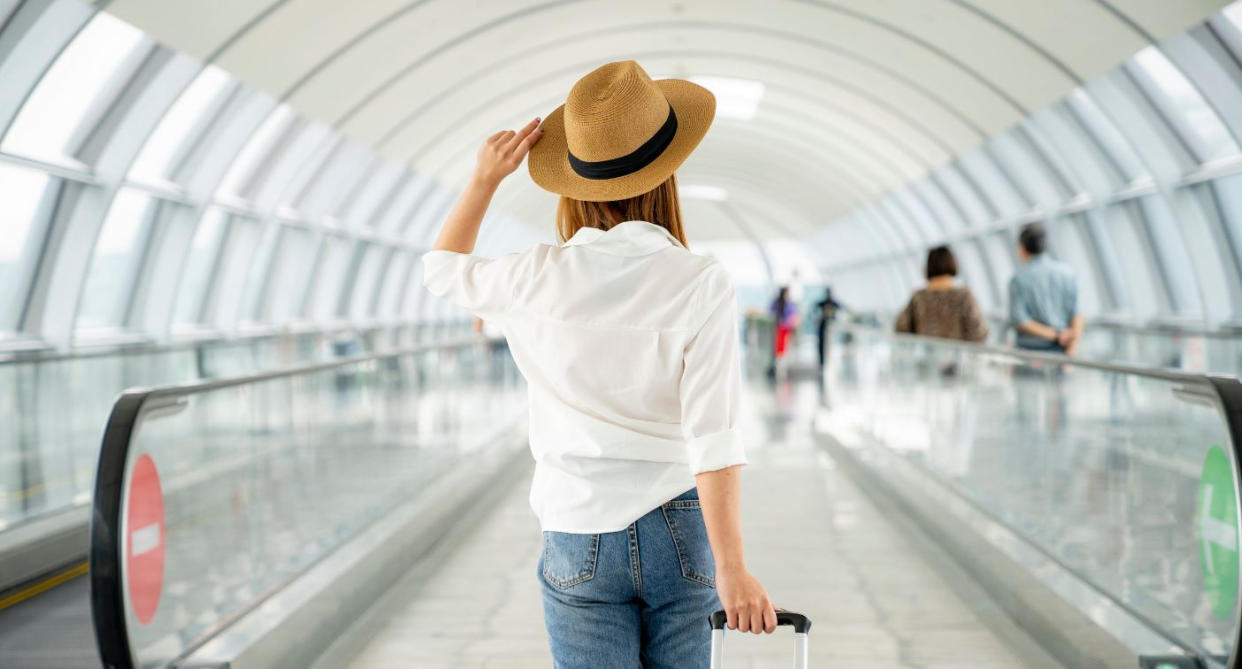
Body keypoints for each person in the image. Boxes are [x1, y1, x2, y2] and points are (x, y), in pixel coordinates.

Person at [420, 61, 776, 668]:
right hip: (680, 525)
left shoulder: (534, 276)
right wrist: (733, 568)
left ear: (574, 184)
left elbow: (441, 270)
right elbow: (713, 435)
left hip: (576, 525)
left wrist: (484, 180)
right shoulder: (701, 282)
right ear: (667, 177)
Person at [1008, 223, 1082, 354]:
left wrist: (1057, 335)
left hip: (1029, 353)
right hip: (1061, 350)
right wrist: (1071, 350)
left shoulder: (1018, 279)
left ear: (1022, 248)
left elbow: (1021, 320)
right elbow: (1076, 314)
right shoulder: (1067, 273)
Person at [895, 245, 988, 343]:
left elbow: (901, 327)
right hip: (957, 356)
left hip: (926, 355)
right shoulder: (963, 296)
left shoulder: (919, 297)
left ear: (928, 266)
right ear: (952, 262)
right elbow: (978, 332)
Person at [770, 286, 798, 378]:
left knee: (782, 346)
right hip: (782, 327)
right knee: (781, 346)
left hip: (784, 327)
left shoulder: (783, 303)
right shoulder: (783, 303)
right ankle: (781, 366)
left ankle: (782, 366)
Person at [814, 287, 843, 368]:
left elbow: (842, 308)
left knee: (830, 346)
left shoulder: (834, 303)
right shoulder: (822, 303)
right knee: (822, 345)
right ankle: (822, 362)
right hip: (823, 327)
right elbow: (814, 310)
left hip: (831, 328)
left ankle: (828, 362)